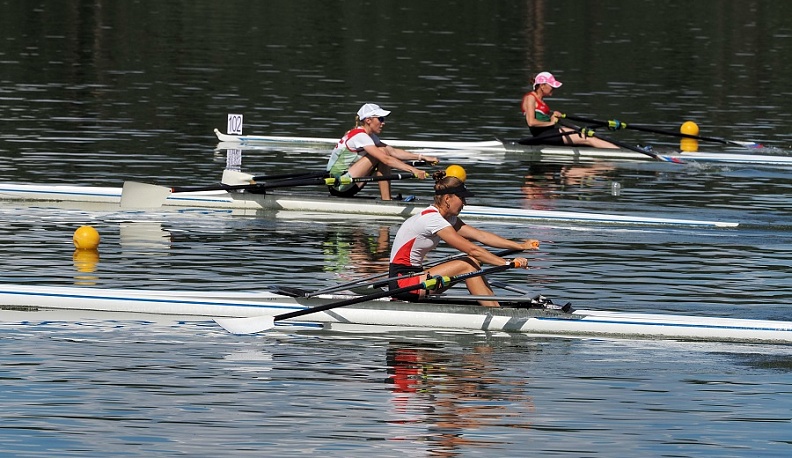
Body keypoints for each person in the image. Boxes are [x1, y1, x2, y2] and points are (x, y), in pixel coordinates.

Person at [388, 168, 539, 307]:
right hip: (403, 283)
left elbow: (481, 236)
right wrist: (507, 263)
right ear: (447, 199)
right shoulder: (432, 219)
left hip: (415, 277)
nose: (465, 203)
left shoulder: (446, 218)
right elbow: (472, 249)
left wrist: (520, 246)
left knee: (471, 262)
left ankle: (494, 308)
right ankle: (495, 311)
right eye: (462, 198)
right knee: (467, 263)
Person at [326, 103, 439, 201]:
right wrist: (414, 171)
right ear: (368, 120)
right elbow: (386, 159)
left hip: (351, 182)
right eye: (380, 119)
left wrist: (422, 157)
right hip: (338, 184)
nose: (383, 123)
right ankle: (386, 200)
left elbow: (393, 152)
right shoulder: (360, 136)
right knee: (382, 154)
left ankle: (386, 199)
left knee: (384, 152)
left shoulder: (369, 136)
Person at [521, 71, 618, 149]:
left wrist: (552, 115)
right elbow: (531, 122)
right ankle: (620, 152)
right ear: (542, 86)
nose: (554, 88)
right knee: (587, 138)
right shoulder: (530, 98)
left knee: (584, 136)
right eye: (552, 86)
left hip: (550, 133)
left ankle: (617, 150)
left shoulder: (539, 99)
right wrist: (551, 122)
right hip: (543, 135)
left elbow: (541, 116)